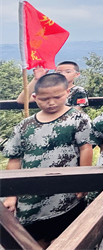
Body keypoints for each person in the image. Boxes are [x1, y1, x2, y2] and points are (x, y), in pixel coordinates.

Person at [3, 73, 92, 246]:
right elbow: (14, 159)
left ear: (67, 93)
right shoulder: (24, 125)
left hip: (66, 195)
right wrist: (11, 194)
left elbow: (86, 148)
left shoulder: (78, 119)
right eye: (44, 99)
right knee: (32, 241)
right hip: (30, 198)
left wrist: (83, 181)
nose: (51, 102)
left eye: (57, 97)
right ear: (35, 97)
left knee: (65, 240)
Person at [17, 62, 89, 109]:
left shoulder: (79, 91)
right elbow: (22, 100)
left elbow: (76, 111)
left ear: (77, 74)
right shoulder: (49, 89)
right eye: (59, 72)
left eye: (68, 72)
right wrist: (36, 80)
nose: (63, 74)